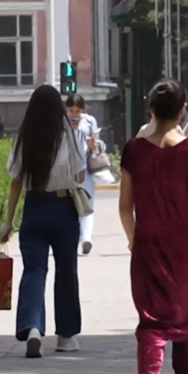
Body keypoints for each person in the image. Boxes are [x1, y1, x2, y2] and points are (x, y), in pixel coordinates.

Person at [119, 78, 188, 374]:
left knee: (151, 324)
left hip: (148, 247)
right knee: (186, 325)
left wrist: (133, 239)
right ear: (183, 111)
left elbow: (124, 206)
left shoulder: (133, 149)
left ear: (151, 110)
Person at [0, 85, 86, 358]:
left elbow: (15, 183)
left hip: (33, 208)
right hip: (62, 207)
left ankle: (33, 327)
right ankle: (66, 336)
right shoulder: (66, 135)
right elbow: (80, 175)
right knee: (66, 270)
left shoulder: (24, 137)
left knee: (34, 270)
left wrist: (7, 222)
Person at [65, 93, 106, 255]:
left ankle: (86, 238)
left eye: (77, 111)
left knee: (86, 204)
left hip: (85, 168)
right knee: (69, 207)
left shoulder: (89, 121)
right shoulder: (62, 123)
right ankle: (72, 239)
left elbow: (100, 145)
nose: (74, 114)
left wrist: (93, 144)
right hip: (66, 170)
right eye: (71, 111)